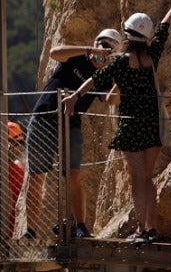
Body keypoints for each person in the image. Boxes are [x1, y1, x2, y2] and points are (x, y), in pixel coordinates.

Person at [65, 0, 171, 244]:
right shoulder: (153, 56)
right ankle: (151, 228)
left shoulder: (120, 62)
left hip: (131, 125)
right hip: (152, 123)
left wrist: (74, 96)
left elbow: (95, 79)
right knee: (148, 178)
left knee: (137, 178)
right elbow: (164, 27)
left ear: (126, 34)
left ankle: (142, 230)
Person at [25, 28, 122, 239]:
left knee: (74, 175)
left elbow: (109, 100)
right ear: (95, 43)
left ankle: (80, 226)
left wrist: (121, 81)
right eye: (103, 44)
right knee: (36, 177)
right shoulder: (76, 57)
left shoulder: (103, 76)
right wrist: (88, 50)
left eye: (109, 48)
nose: (104, 50)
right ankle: (30, 231)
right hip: (45, 117)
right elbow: (55, 53)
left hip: (71, 123)